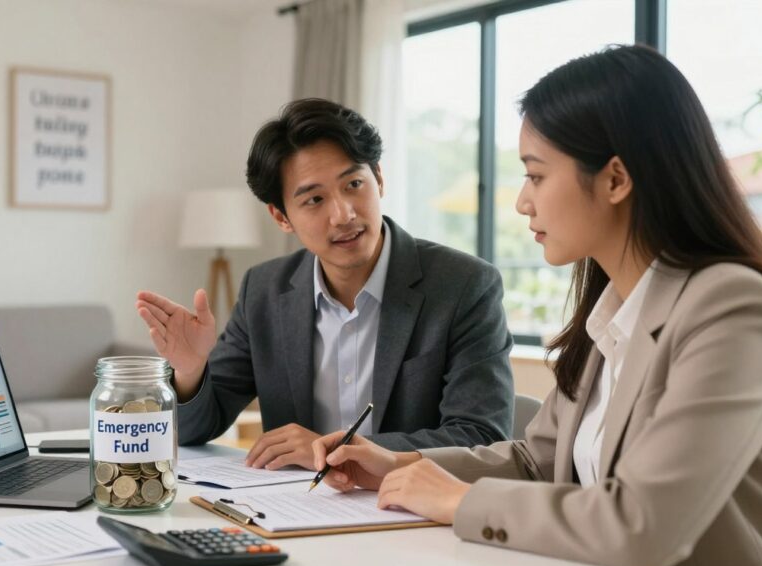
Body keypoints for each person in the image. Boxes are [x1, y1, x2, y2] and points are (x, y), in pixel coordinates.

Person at [310, 45, 762, 566]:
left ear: (616, 180)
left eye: (537, 175)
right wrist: (398, 464)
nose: (523, 202)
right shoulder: (611, 310)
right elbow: (537, 461)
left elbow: (641, 524)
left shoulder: (731, 306)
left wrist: (460, 501)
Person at [136, 98, 515, 470]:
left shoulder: (465, 286)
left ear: (378, 179)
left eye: (353, 184)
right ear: (281, 217)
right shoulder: (264, 290)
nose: (343, 214)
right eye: (314, 199)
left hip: (411, 511)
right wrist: (189, 371)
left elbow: (481, 435)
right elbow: (194, 429)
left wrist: (333, 449)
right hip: (294, 512)